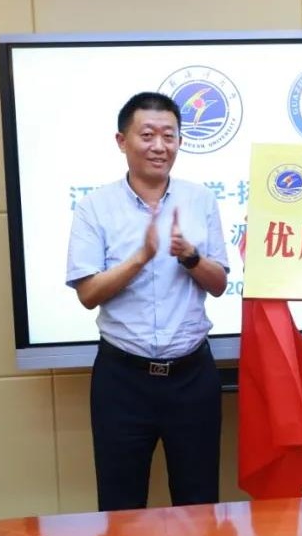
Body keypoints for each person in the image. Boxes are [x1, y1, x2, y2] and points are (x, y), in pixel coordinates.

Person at [66, 91, 230, 511]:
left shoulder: (201, 200)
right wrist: (140, 257)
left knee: (199, 504)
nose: (160, 146)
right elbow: (88, 294)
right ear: (122, 141)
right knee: (120, 506)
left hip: (192, 376)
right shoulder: (94, 207)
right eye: (147, 135)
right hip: (123, 378)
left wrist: (190, 257)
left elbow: (218, 284)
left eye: (169, 136)